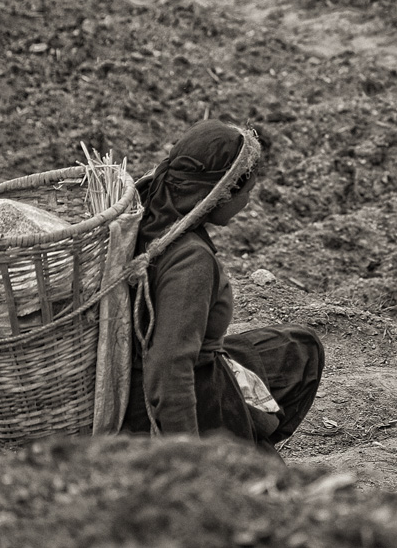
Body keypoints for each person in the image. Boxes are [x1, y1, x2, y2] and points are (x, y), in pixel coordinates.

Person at [123, 119, 324, 453]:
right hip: (166, 402)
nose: (247, 202)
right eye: (247, 192)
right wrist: (188, 454)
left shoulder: (144, 212)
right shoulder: (190, 261)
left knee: (299, 348)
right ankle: (242, 441)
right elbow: (169, 370)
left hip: (146, 376)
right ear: (225, 192)